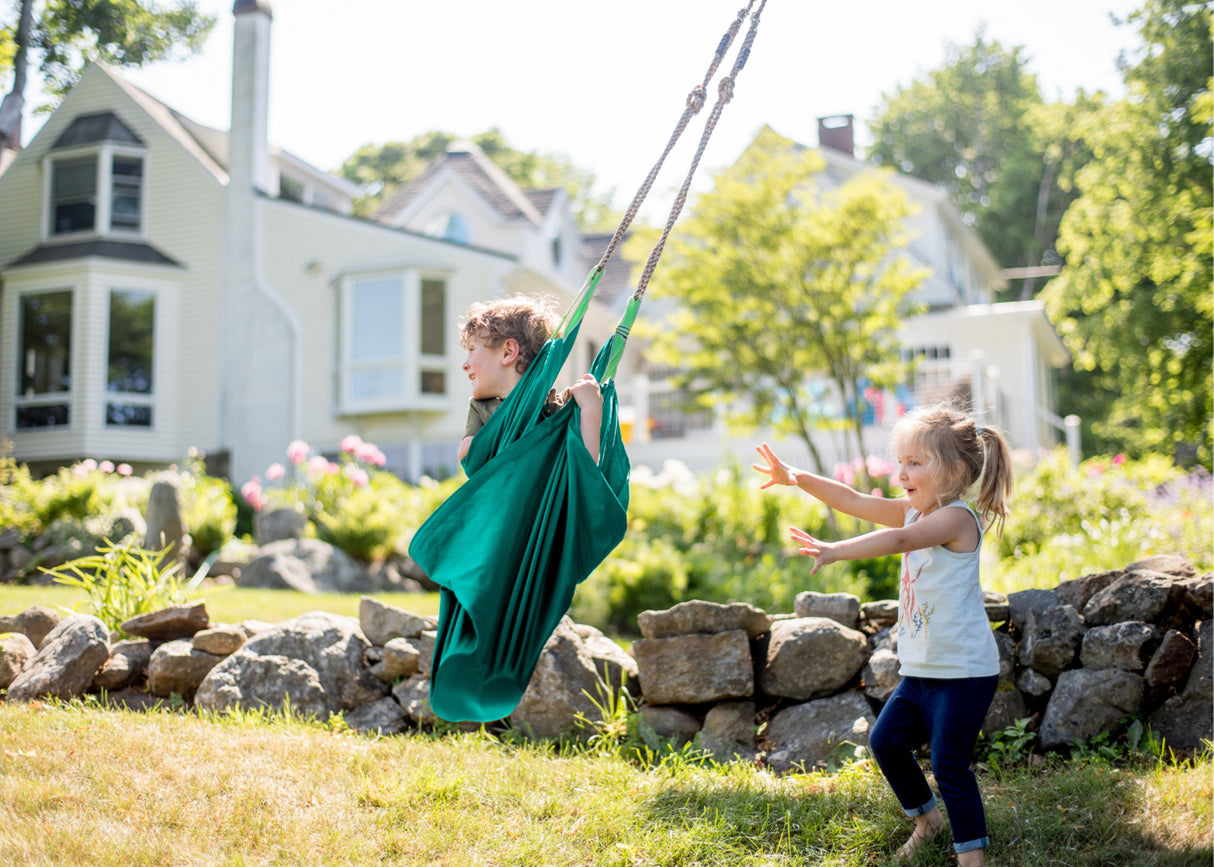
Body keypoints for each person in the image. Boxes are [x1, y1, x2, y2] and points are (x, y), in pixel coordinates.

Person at [753, 403, 1013, 866]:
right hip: (923, 670)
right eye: (901, 463)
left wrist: (835, 551)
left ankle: (972, 858)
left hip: (964, 672)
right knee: (886, 742)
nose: (901, 475)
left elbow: (898, 543)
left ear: (953, 471)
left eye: (915, 464)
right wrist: (797, 477)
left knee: (950, 764)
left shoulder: (956, 518)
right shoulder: (913, 512)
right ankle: (927, 820)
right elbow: (854, 501)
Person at [457, 294, 602, 464]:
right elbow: (467, 455)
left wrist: (591, 409)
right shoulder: (480, 407)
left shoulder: (557, 406)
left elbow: (583, 471)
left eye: (472, 349)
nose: (465, 365)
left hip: (547, 489)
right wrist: (512, 423)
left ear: (508, 352)